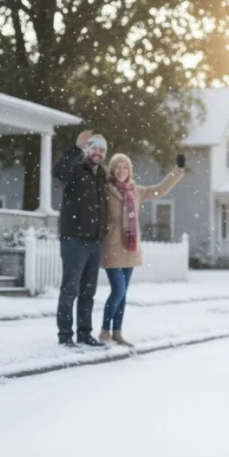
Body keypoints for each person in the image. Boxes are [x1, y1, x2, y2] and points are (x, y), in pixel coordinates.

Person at [100, 152, 186, 346]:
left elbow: (160, 189)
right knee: (118, 291)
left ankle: (117, 332)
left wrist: (177, 171)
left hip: (130, 248)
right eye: (118, 167)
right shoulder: (105, 190)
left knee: (123, 294)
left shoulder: (135, 191)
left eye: (125, 167)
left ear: (129, 171)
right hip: (112, 246)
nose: (121, 171)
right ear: (112, 170)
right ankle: (105, 331)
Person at [53, 130, 108, 347]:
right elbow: (58, 171)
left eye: (102, 150)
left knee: (88, 292)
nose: (98, 152)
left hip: (94, 241)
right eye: (94, 148)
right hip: (74, 239)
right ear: (87, 149)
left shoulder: (101, 175)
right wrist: (74, 148)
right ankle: (65, 335)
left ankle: (84, 333)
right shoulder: (76, 168)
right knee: (70, 289)